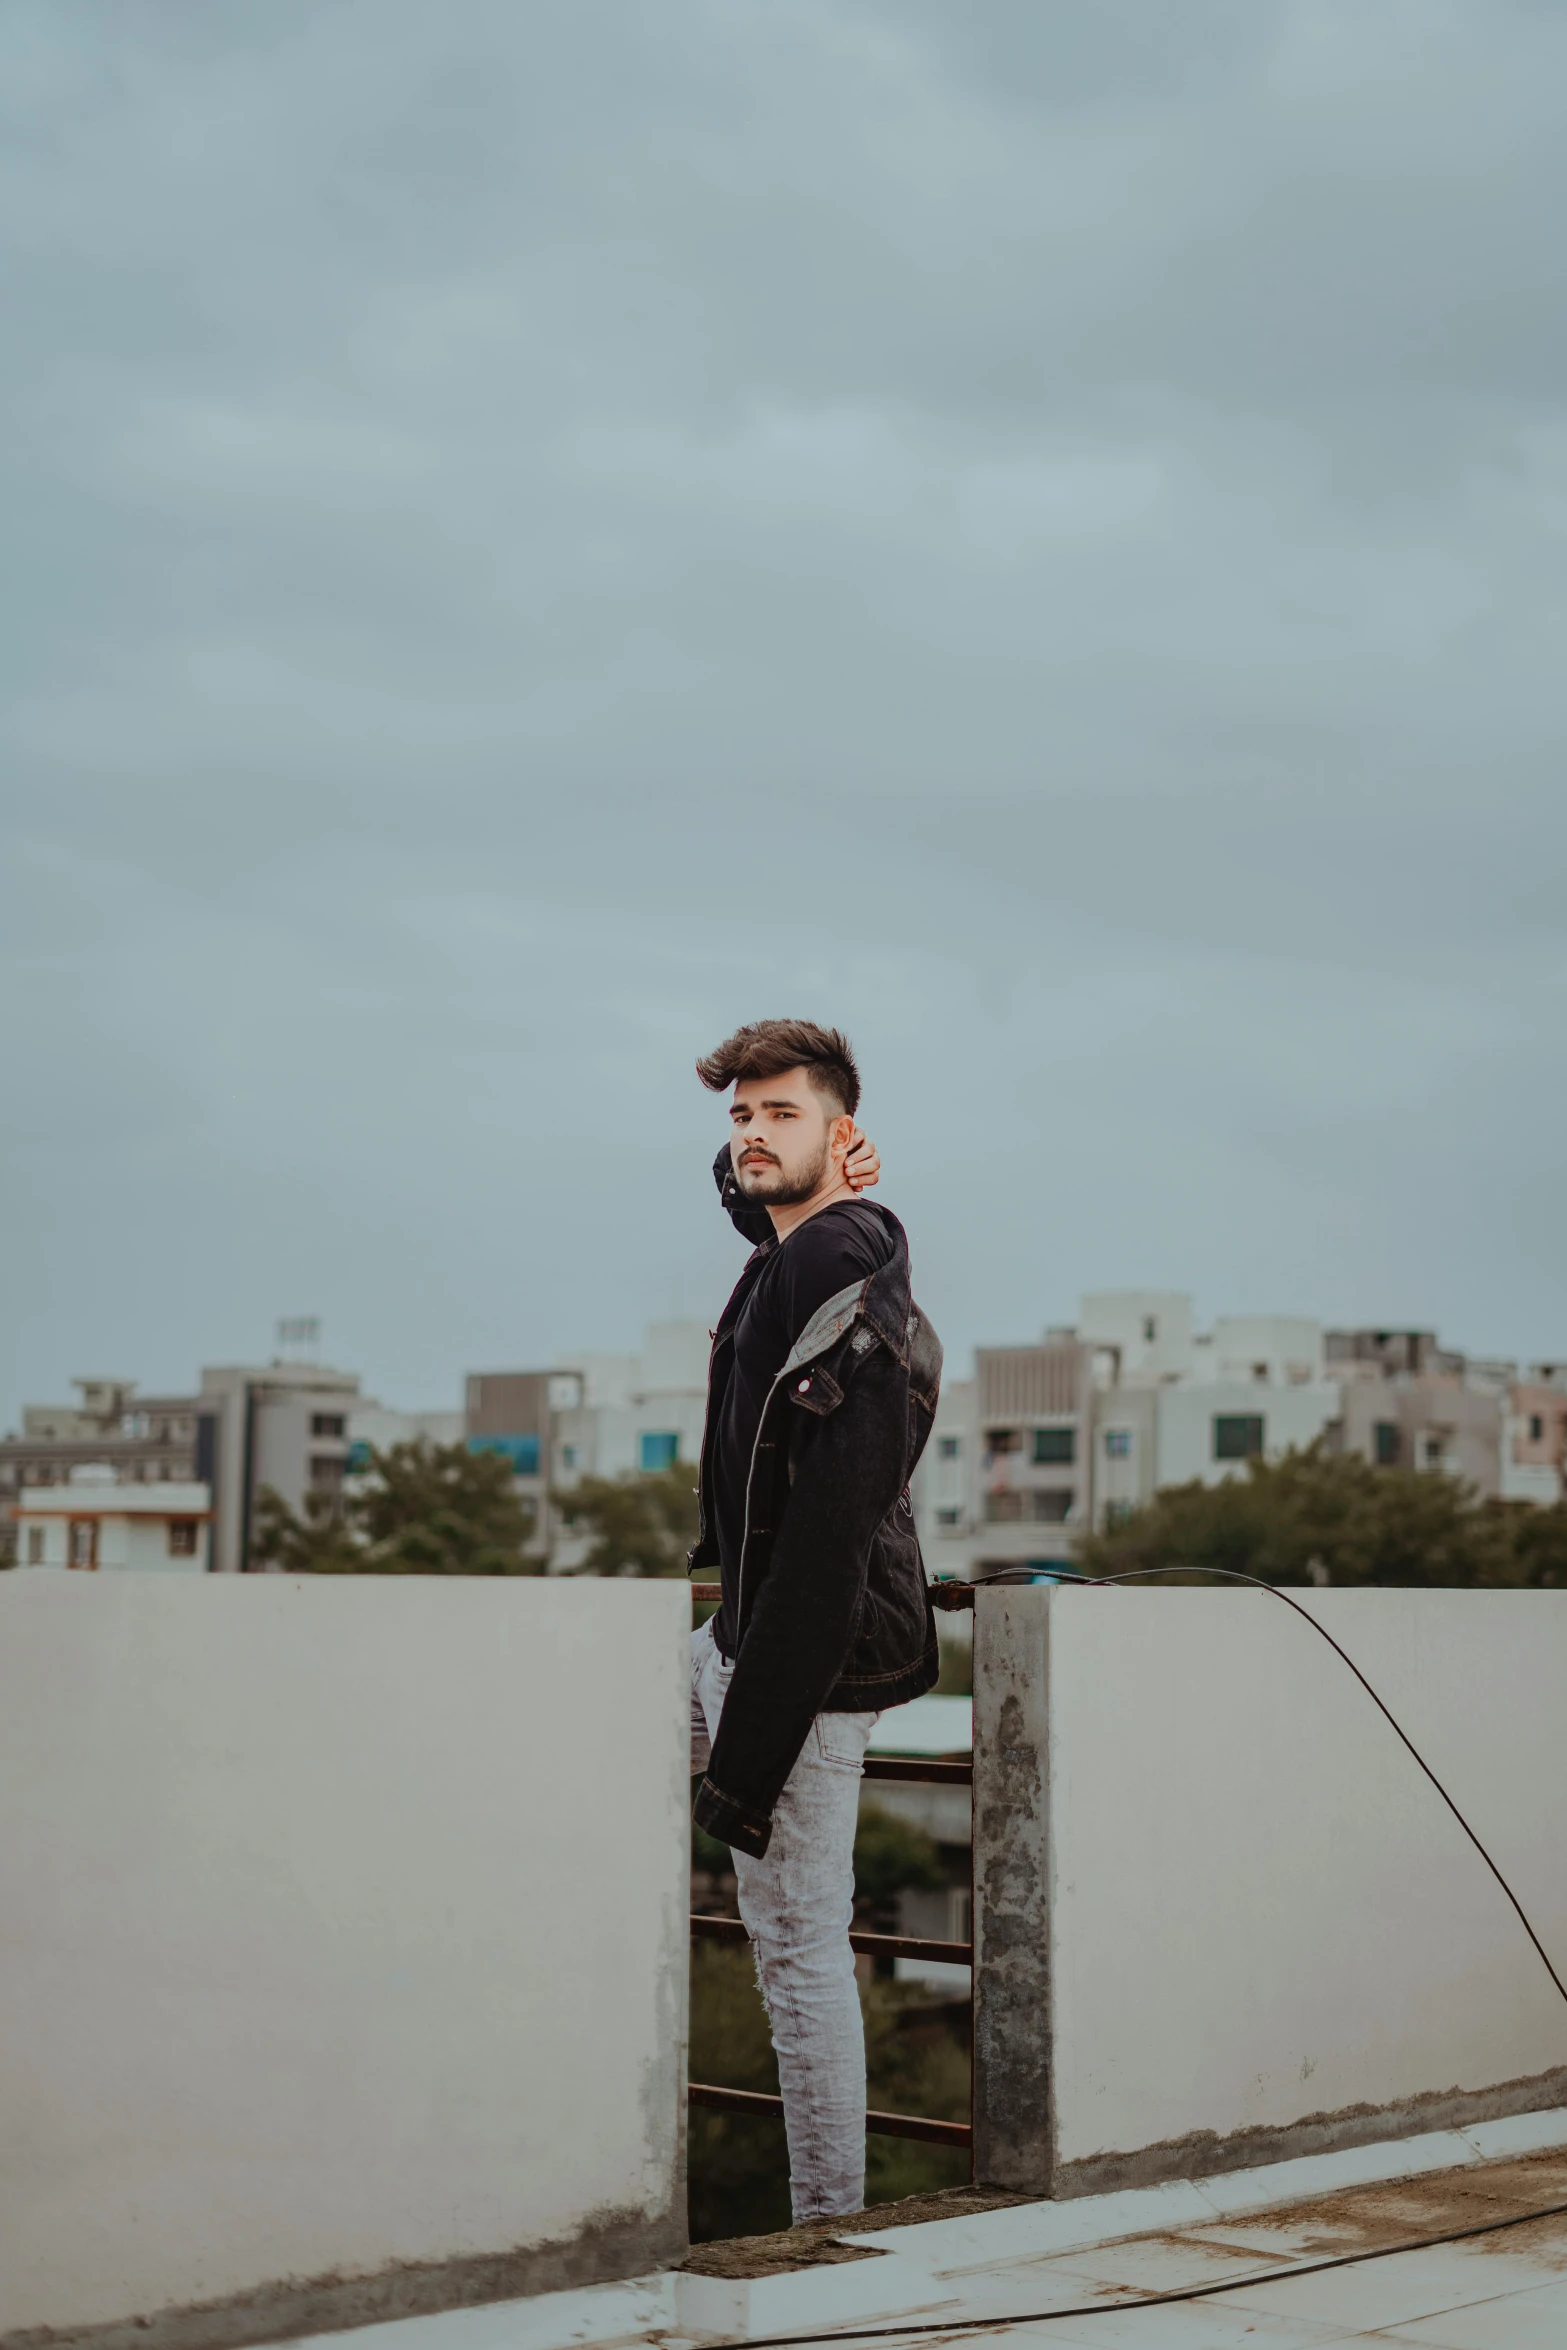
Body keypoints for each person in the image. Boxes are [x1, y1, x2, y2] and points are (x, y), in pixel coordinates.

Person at [688, 1016, 943, 2223]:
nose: (748, 1134)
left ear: (840, 1134)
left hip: (802, 1671)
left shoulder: (849, 1271)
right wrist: (781, 1172)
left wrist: (745, 1760)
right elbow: (759, 1213)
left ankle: (826, 2230)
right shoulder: (793, 1257)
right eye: (738, 1115)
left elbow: (829, 1549)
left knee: (797, 1953)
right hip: (730, 1642)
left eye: (777, 1113)